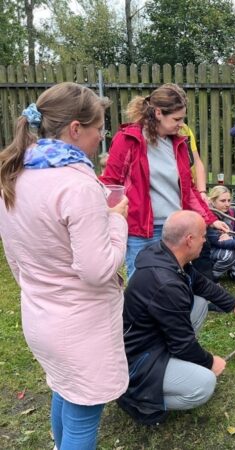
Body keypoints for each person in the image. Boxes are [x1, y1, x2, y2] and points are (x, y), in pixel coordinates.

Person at [0, 82, 129, 449]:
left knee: (64, 388)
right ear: (76, 129)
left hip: (40, 318)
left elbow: (15, 259)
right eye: (99, 129)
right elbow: (97, 269)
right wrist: (116, 220)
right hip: (80, 328)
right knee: (84, 414)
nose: (101, 138)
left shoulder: (15, 175)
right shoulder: (78, 185)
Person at [117, 211, 235, 425]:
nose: (205, 241)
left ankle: (172, 368)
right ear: (189, 240)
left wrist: (233, 304)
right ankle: (137, 399)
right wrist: (210, 362)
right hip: (138, 360)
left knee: (198, 304)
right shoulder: (166, 284)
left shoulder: (165, 255)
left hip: (155, 340)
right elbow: (183, 344)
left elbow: (200, 283)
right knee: (205, 384)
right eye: (203, 236)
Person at [100, 83, 228, 278]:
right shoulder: (128, 140)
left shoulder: (179, 144)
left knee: (175, 282)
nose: (181, 124)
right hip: (140, 230)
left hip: (174, 229)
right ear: (158, 113)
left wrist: (210, 219)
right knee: (142, 284)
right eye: (177, 119)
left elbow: (189, 189)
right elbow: (111, 183)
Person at [179, 122, 209, 203]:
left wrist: (202, 192)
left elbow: (196, 162)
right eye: (176, 119)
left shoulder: (184, 129)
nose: (181, 124)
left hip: (190, 191)